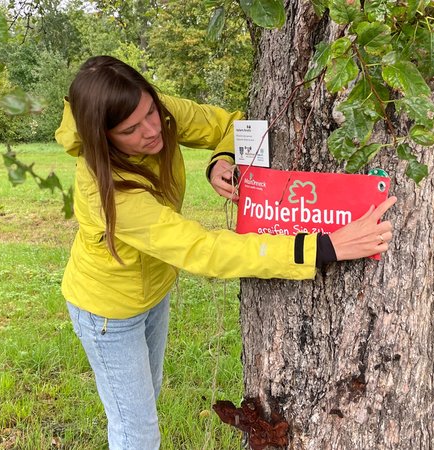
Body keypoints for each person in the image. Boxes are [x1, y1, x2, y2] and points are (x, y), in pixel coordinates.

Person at [54, 55, 396, 450]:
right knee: (136, 431)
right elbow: (205, 250)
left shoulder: (157, 111)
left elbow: (233, 124)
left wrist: (223, 158)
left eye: (151, 112)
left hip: (152, 293)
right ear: (103, 138)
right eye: (131, 130)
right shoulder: (106, 193)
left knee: (149, 391)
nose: (152, 130)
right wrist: (325, 245)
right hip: (108, 313)